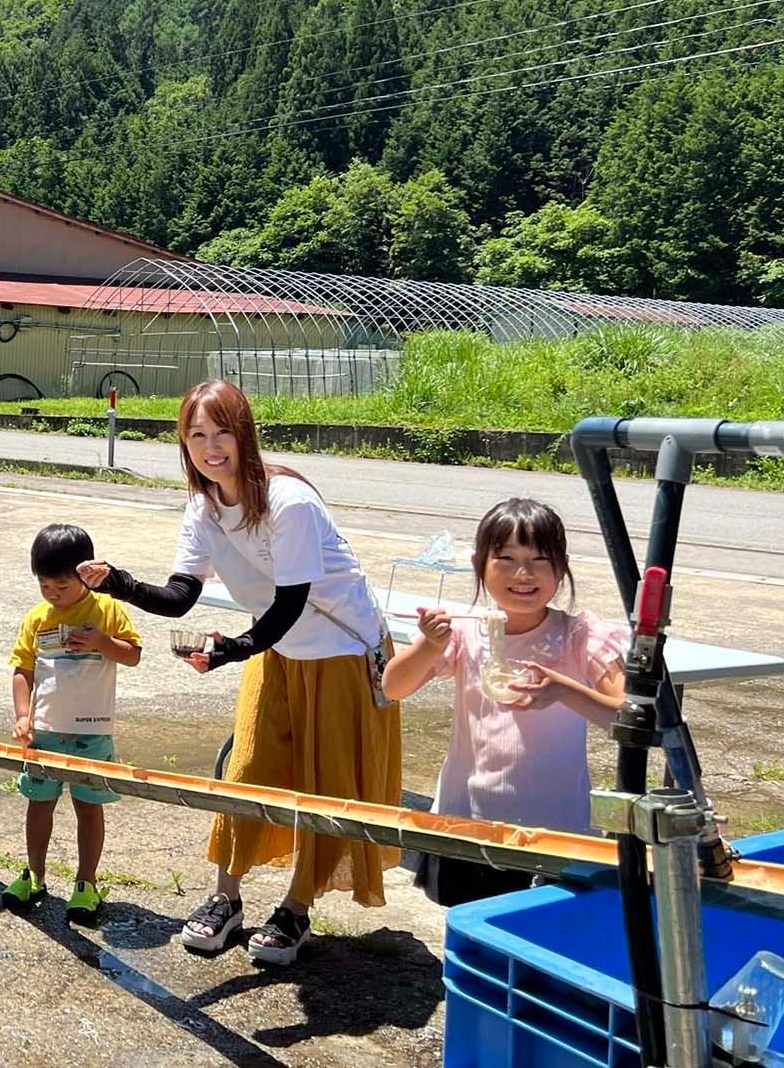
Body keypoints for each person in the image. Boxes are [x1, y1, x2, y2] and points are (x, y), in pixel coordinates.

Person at [77, 379, 401, 967]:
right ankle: (226, 896)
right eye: (196, 435)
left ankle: (297, 907)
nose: (210, 447)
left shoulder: (289, 503)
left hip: (337, 648)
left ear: (244, 434)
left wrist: (232, 649)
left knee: (322, 783)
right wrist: (117, 581)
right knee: (247, 766)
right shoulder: (203, 507)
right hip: (276, 647)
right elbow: (180, 596)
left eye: (222, 431)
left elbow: (291, 601)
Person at [380, 498, 629, 907]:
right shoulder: (466, 632)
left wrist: (564, 689)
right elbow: (393, 687)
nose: (523, 574)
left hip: (555, 831)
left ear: (561, 567)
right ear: (480, 563)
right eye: (506, 558)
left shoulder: (579, 637)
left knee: (544, 940)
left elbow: (630, 717)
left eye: (539, 559)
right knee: (473, 936)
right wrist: (429, 644)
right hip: (468, 821)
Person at [2, 524, 143, 925]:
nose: (53, 594)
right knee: (39, 803)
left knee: (89, 807)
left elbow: (132, 655)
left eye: (62, 586)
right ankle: (34, 875)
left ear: (85, 575)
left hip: (92, 731)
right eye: (45, 585)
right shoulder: (37, 618)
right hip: (45, 730)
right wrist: (22, 715)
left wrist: (102, 642)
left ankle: (86, 883)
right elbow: (22, 669)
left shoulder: (107, 610)